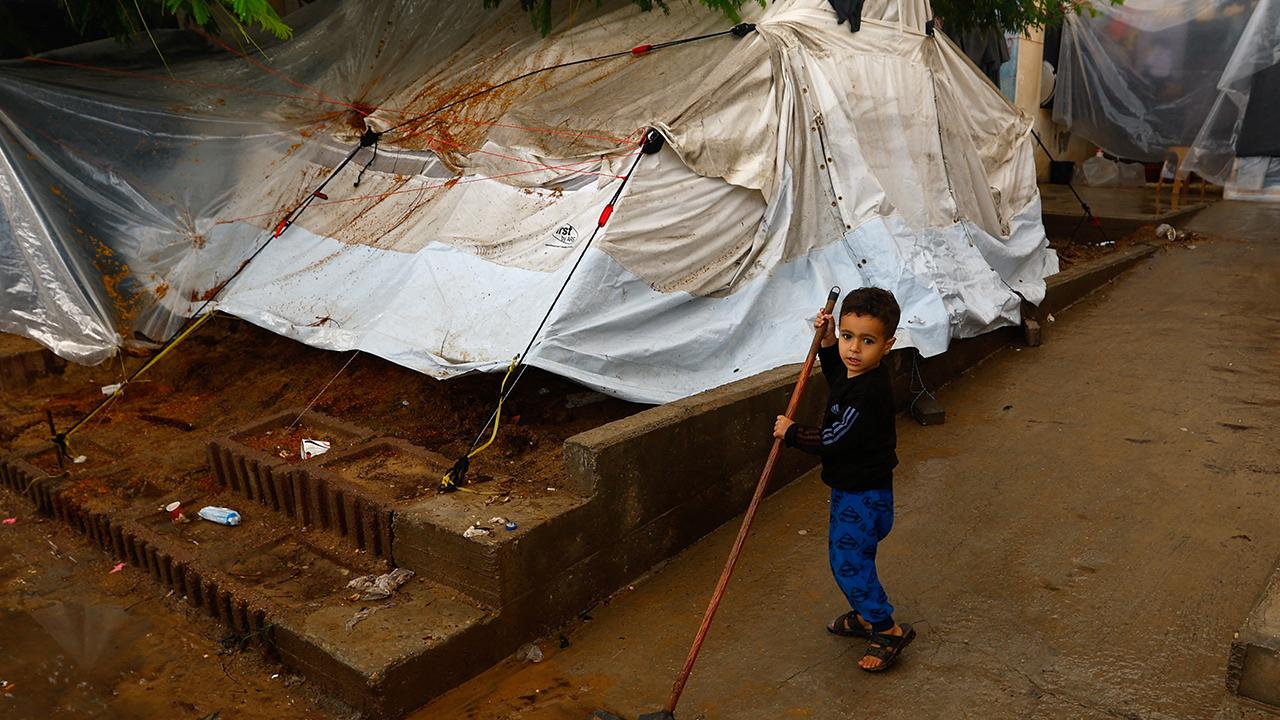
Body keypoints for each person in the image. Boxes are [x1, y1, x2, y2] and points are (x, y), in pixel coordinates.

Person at [773, 286, 915, 672]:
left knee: (849, 562)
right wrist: (828, 340)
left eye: (866, 341)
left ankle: (885, 627)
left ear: (888, 344)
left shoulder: (869, 392)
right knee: (850, 558)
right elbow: (839, 374)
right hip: (853, 489)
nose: (853, 349)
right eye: (849, 337)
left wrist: (792, 432)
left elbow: (836, 438)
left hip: (864, 496)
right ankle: (867, 613)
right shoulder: (856, 372)